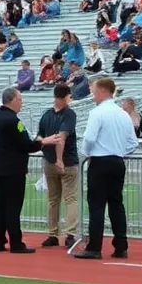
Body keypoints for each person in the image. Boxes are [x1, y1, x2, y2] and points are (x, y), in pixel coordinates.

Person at [0, 86, 62, 254]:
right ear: (13, 100)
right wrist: (44, 141)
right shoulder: (14, 121)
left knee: (1, 205)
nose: (21, 103)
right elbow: (26, 145)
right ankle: (16, 242)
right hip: (14, 169)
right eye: (20, 99)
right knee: (13, 206)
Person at [73, 78, 138, 260]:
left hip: (100, 161)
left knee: (97, 205)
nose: (92, 94)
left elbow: (89, 138)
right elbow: (133, 143)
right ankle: (121, 246)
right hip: (117, 161)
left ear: (102, 90)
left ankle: (94, 247)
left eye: (94, 90)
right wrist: (119, 152)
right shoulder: (123, 114)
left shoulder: (97, 112)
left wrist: (86, 154)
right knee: (116, 204)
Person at [37, 83, 79, 250]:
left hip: (48, 160)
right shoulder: (69, 114)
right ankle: (70, 233)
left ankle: (53, 234)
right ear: (66, 97)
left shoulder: (46, 115)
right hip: (66, 161)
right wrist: (59, 159)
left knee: (53, 199)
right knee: (71, 198)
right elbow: (62, 137)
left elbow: (39, 137)